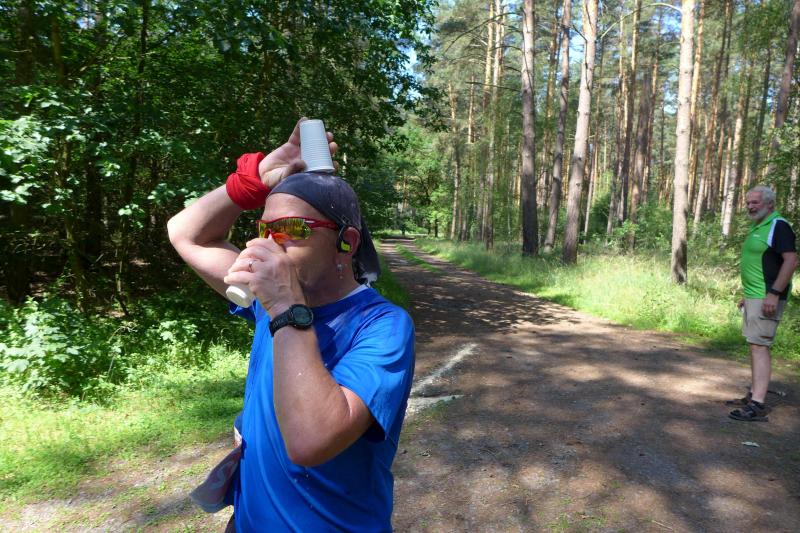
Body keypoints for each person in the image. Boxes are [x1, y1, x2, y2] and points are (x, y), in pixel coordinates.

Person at [168, 119, 415, 531]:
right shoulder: (270, 301)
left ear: (347, 242)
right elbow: (186, 234)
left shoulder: (383, 325)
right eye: (265, 229)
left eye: (289, 230)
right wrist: (252, 182)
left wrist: (285, 305)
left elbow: (310, 442)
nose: (267, 244)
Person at [727, 185, 797, 422]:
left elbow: (791, 260)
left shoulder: (779, 225)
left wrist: (774, 293)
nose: (750, 206)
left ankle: (757, 404)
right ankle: (753, 396)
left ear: (770, 204)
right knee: (754, 345)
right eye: (748, 202)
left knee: (760, 347)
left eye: (755, 202)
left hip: (767, 297)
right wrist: (747, 296)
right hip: (755, 296)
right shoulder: (758, 226)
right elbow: (759, 263)